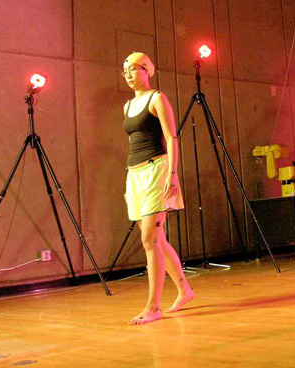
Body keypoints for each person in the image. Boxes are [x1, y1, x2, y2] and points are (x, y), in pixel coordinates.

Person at [122, 52, 195, 325]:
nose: (128, 74)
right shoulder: (127, 106)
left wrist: (172, 173)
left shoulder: (157, 98)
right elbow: (132, 145)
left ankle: (153, 307)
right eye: (125, 71)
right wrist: (128, 183)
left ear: (146, 70)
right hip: (135, 173)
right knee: (156, 239)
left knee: (149, 240)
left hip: (156, 170)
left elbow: (171, 137)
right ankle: (185, 290)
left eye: (133, 69)